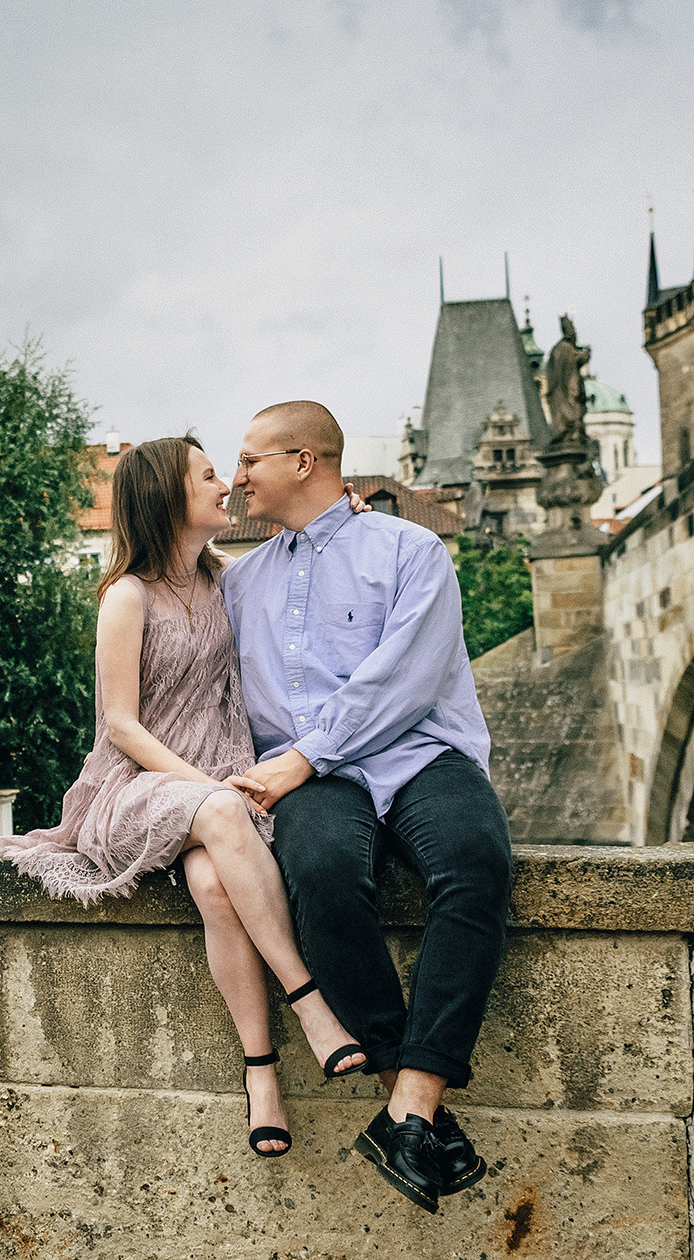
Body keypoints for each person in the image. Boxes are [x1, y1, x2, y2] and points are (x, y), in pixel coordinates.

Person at [0, 435, 367, 1159]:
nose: (225, 484)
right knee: (224, 814)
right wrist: (206, 786)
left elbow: (307, 557)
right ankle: (311, 1002)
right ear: (169, 497)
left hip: (214, 788)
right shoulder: (126, 597)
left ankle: (261, 1075)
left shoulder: (228, 577)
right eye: (206, 475)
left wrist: (343, 512)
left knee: (214, 887)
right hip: (136, 787)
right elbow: (122, 725)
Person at [222, 400, 511, 1215]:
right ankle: (407, 1104)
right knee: (316, 872)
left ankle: (412, 1101)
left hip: (418, 752)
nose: (239, 477)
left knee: (477, 861)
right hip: (310, 782)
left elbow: (405, 678)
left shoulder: (410, 550)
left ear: (306, 461)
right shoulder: (240, 584)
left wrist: (304, 757)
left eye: (251, 460)